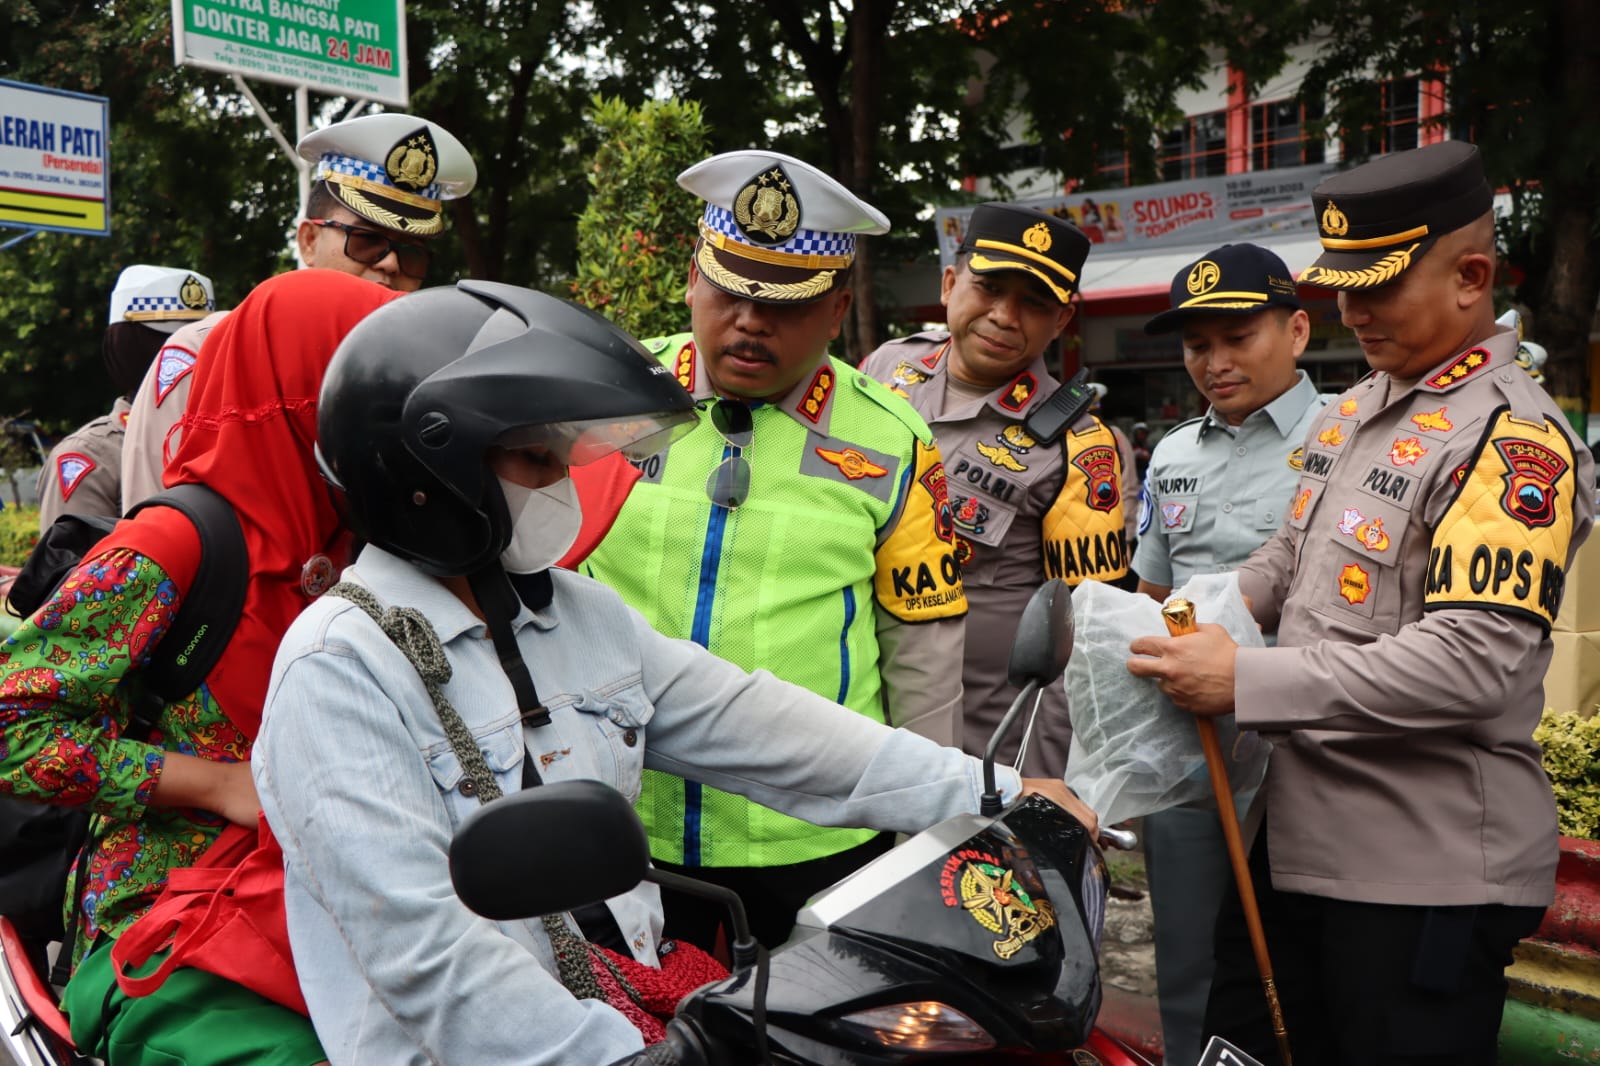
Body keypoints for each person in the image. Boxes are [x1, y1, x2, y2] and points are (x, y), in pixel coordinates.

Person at [250, 280, 1095, 1065]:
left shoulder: (576, 616)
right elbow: (425, 956)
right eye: (535, 461)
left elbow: (761, 724)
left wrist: (990, 791)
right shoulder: (340, 669)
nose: (562, 483)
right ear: (427, 477)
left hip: (644, 1007)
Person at [1127, 141, 1595, 1066]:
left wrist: (1244, 681)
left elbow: (1474, 661)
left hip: (1420, 872)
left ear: (1472, 277)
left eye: (1378, 285)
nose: (1351, 309)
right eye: (1342, 283)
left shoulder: (1510, 440)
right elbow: (1292, 554)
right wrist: (1189, 616)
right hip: (1295, 843)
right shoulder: (1356, 409)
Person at [0, 269, 403, 1064]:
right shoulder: (173, 545)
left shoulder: (364, 545)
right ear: (298, 399)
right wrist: (216, 783)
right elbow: (13, 727)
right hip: (171, 921)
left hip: (335, 895)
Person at [582, 149, 968, 950]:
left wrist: (928, 824)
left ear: (837, 309)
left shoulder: (893, 441)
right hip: (622, 827)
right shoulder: (610, 399)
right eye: (730, 289)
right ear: (692, 276)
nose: (750, 321)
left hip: (815, 839)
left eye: (785, 304)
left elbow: (922, 653)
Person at [1130, 241, 1325, 1066]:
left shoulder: (1344, 438)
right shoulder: (1171, 454)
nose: (1215, 361)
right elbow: (1151, 595)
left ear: (1300, 330)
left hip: (1310, 748)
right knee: (1185, 955)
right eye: (1197, 344)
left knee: (1305, 965)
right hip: (1191, 750)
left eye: (1238, 336)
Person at [859, 203, 1129, 774]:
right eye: (990, 288)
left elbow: (1078, 633)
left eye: (1035, 303)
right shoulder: (886, 369)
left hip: (982, 733)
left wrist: (1042, 774)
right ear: (951, 283)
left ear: (1061, 322)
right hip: (853, 696)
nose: (1006, 316)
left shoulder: (1080, 445)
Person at [119, 112, 476, 511]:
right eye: (367, 240)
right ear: (308, 241)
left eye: (412, 253)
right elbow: (151, 524)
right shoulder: (206, 353)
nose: (391, 264)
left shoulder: (428, 377)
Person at [37, 265, 215, 526]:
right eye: (169, 345)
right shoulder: (94, 457)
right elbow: (74, 564)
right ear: (127, 348)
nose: (191, 355)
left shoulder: (227, 439)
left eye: (204, 343)